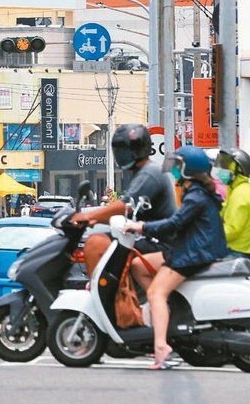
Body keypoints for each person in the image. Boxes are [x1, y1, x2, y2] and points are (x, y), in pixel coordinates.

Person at [123, 146, 229, 369]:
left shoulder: (197, 196)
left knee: (155, 292)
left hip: (193, 253)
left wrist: (140, 226)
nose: (174, 170)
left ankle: (161, 346)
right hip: (189, 248)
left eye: (178, 166)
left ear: (189, 170)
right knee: (137, 265)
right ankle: (165, 312)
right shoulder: (196, 192)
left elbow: (174, 223)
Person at [72, 124, 177, 291]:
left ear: (140, 149)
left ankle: (103, 296)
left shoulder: (150, 173)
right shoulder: (143, 172)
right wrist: (94, 218)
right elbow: (126, 212)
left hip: (160, 243)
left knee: (96, 244)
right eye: (119, 150)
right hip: (149, 238)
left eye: (126, 149)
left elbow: (124, 206)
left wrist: (88, 216)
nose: (122, 155)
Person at [216, 148, 250, 260]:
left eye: (226, 167)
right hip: (235, 250)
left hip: (237, 253)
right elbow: (222, 213)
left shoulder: (241, 194)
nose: (221, 170)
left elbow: (232, 229)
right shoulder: (236, 189)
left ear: (238, 170)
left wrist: (209, 237)